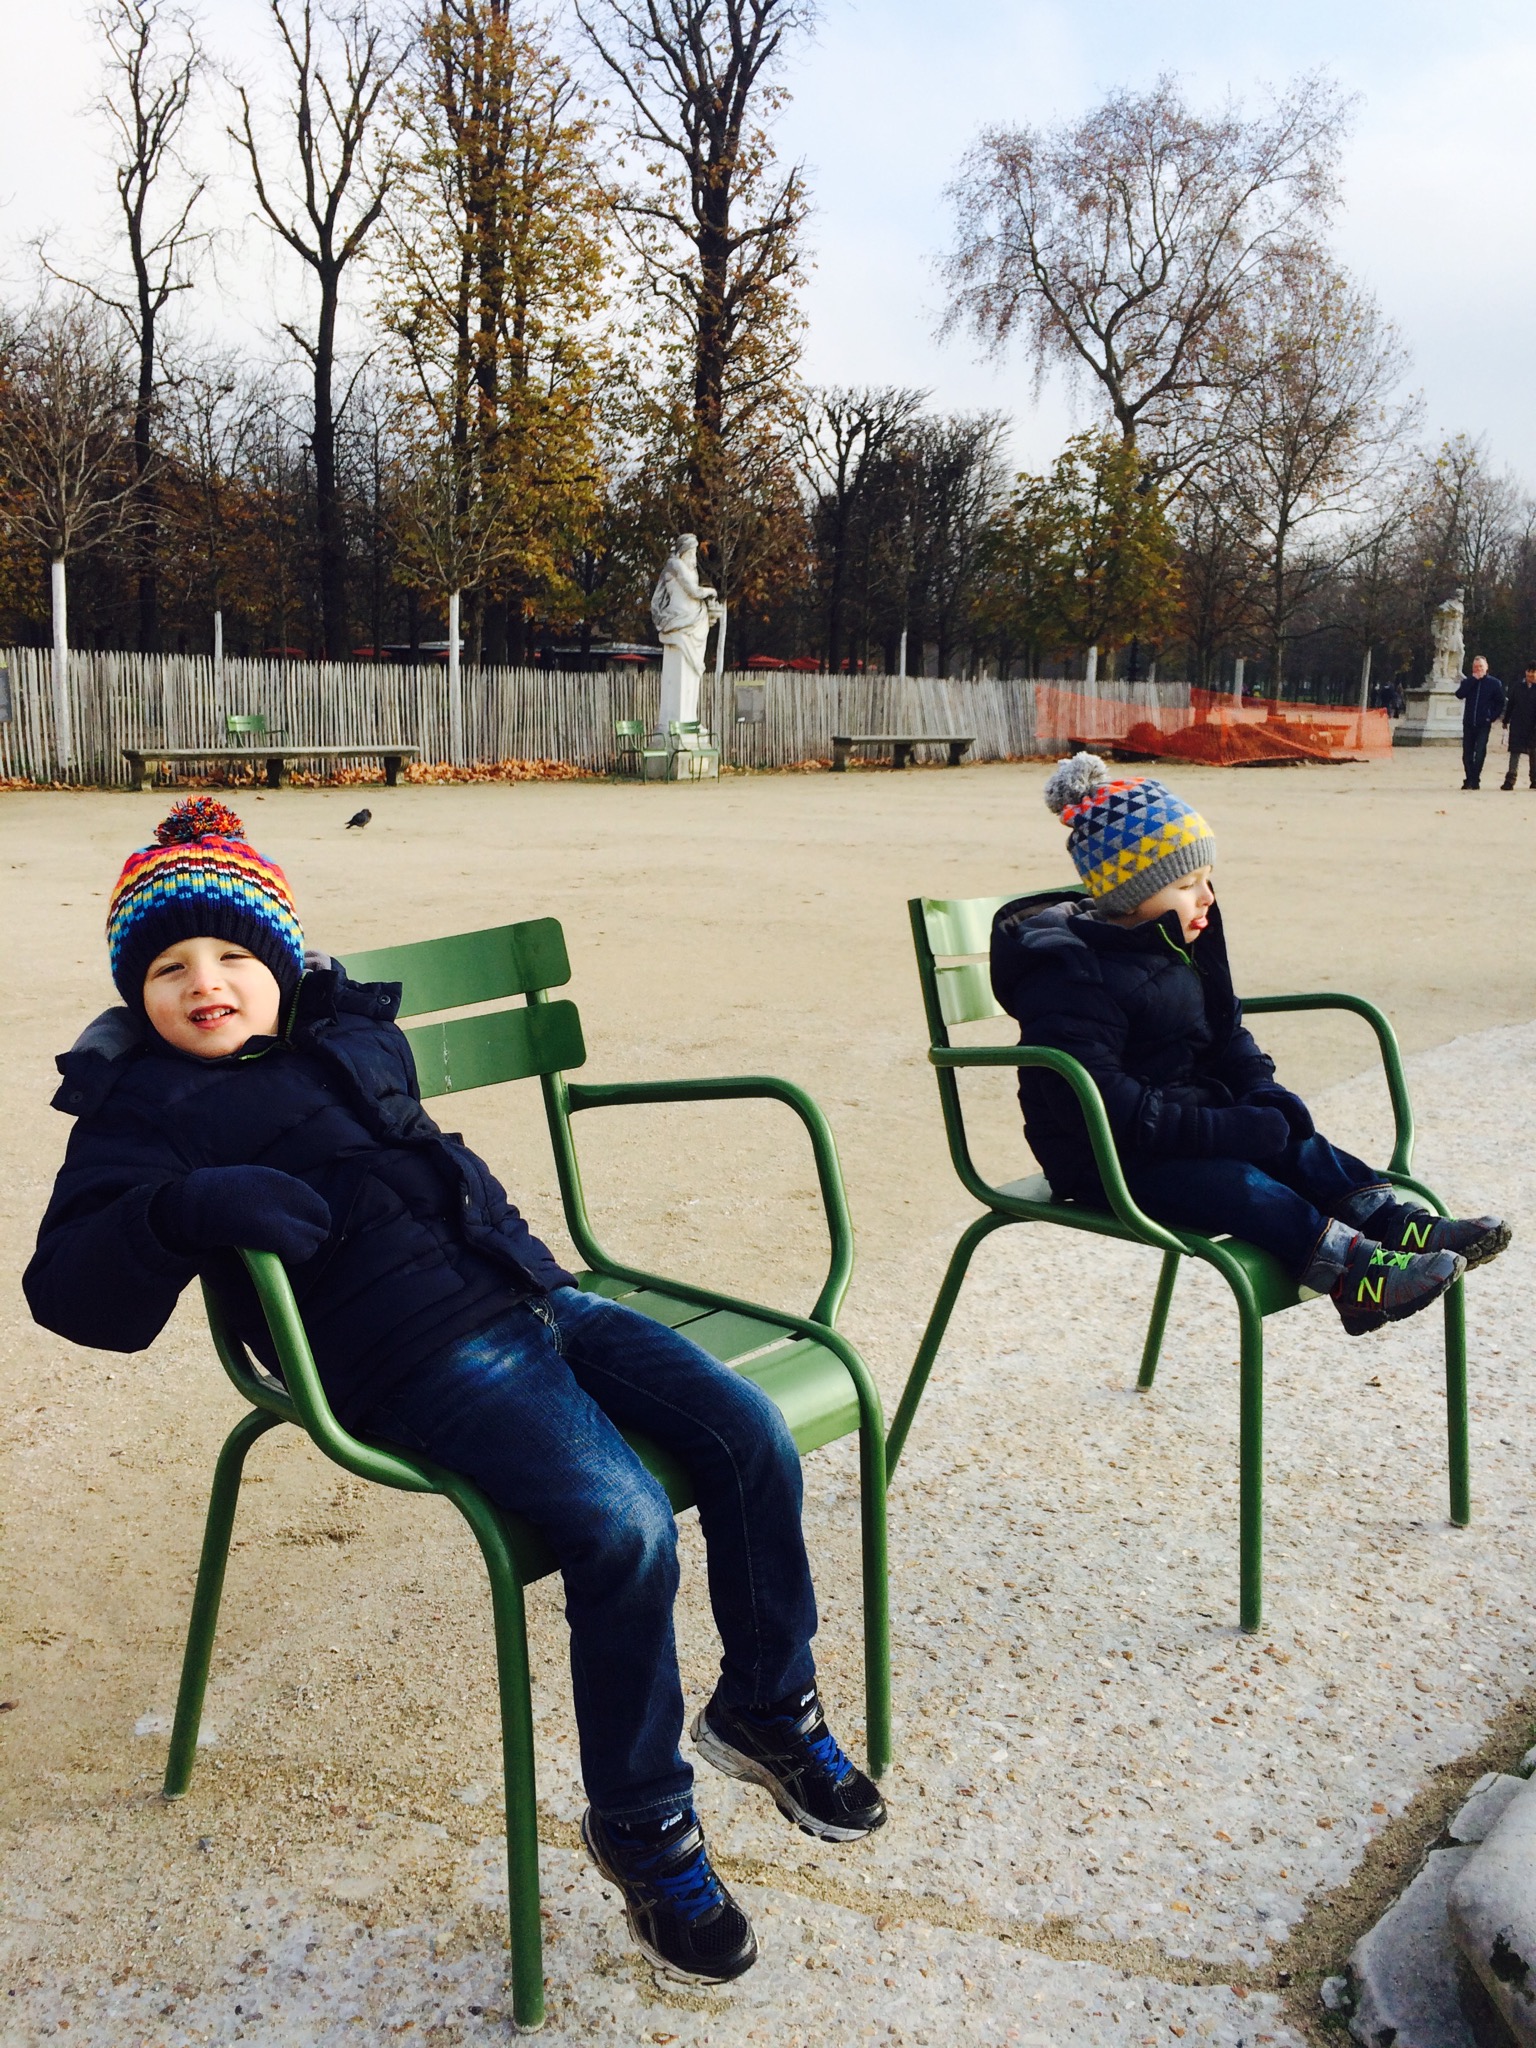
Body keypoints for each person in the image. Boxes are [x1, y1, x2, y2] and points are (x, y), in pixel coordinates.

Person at [24, 799, 885, 1987]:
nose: (204, 981)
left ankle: (767, 1704)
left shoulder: (345, 1032)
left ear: (282, 964)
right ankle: (644, 1824)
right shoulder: (146, 1106)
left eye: (231, 953)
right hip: (415, 1354)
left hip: (534, 1290)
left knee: (750, 1431)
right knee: (623, 1520)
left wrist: (527, 1261)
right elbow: (69, 1289)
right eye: (167, 967)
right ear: (138, 993)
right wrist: (180, 1210)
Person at [990, 756, 1510, 1333]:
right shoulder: (1070, 978)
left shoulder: (1175, 942)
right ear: (1130, 893)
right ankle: (1353, 1278)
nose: (1206, 896)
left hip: (1178, 1123)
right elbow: (1102, 1105)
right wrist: (1226, 1130)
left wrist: (1263, 1091)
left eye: (1207, 878)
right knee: (1239, 1182)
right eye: (1186, 884)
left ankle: (1392, 1223)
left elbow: (1225, 1029)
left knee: (1299, 1144)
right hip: (1103, 1158)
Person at [1456, 654, 1505, 790]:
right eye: (1476, 667)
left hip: (1484, 723)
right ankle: (1469, 778)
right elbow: (1459, 694)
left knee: (1480, 752)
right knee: (1467, 753)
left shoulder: (1494, 683)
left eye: (1481, 667)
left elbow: (1500, 702)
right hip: (1469, 722)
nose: (1478, 669)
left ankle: (1475, 779)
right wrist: (1473, 680)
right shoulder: (1468, 681)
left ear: (1486, 667)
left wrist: (1491, 717)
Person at [1500, 662, 1536, 789]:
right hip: (1518, 724)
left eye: (1533, 672)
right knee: (1514, 752)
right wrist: (1506, 720)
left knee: (1534, 753)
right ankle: (1510, 780)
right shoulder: (1517, 686)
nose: (1530, 674)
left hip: (1533, 726)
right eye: (1529, 671)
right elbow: (1511, 705)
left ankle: (1534, 779)